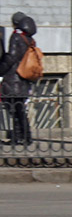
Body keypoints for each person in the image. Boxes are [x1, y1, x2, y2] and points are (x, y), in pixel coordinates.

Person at [0, 12, 37, 145]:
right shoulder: (29, 38)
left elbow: (12, 57)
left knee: (14, 109)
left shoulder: (16, 36)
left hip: (13, 78)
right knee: (20, 109)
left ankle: (18, 137)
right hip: (23, 78)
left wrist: (1, 69)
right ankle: (26, 137)